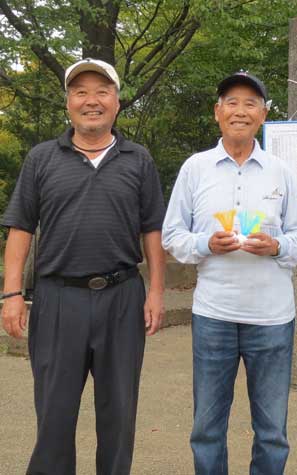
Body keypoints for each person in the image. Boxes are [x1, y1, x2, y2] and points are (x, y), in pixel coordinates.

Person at [1, 58, 166, 475]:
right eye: (80, 92)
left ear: (117, 101)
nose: (91, 101)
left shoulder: (138, 159)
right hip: (58, 300)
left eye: (102, 91)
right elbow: (20, 228)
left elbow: (152, 231)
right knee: (54, 416)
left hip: (122, 298)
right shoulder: (41, 159)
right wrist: (12, 293)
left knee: (119, 415)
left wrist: (156, 291)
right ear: (68, 103)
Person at [162, 71, 297, 475]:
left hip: (272, 318)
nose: (240, 111)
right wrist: (204, 244)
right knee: (207, 428)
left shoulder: (280, 170)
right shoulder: (195, 168)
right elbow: (172, 234)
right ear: (217, 112)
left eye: (250, 104)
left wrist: (278, 246)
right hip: (214, 315)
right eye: (232, 102)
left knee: (272, 430)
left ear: (263, 115)